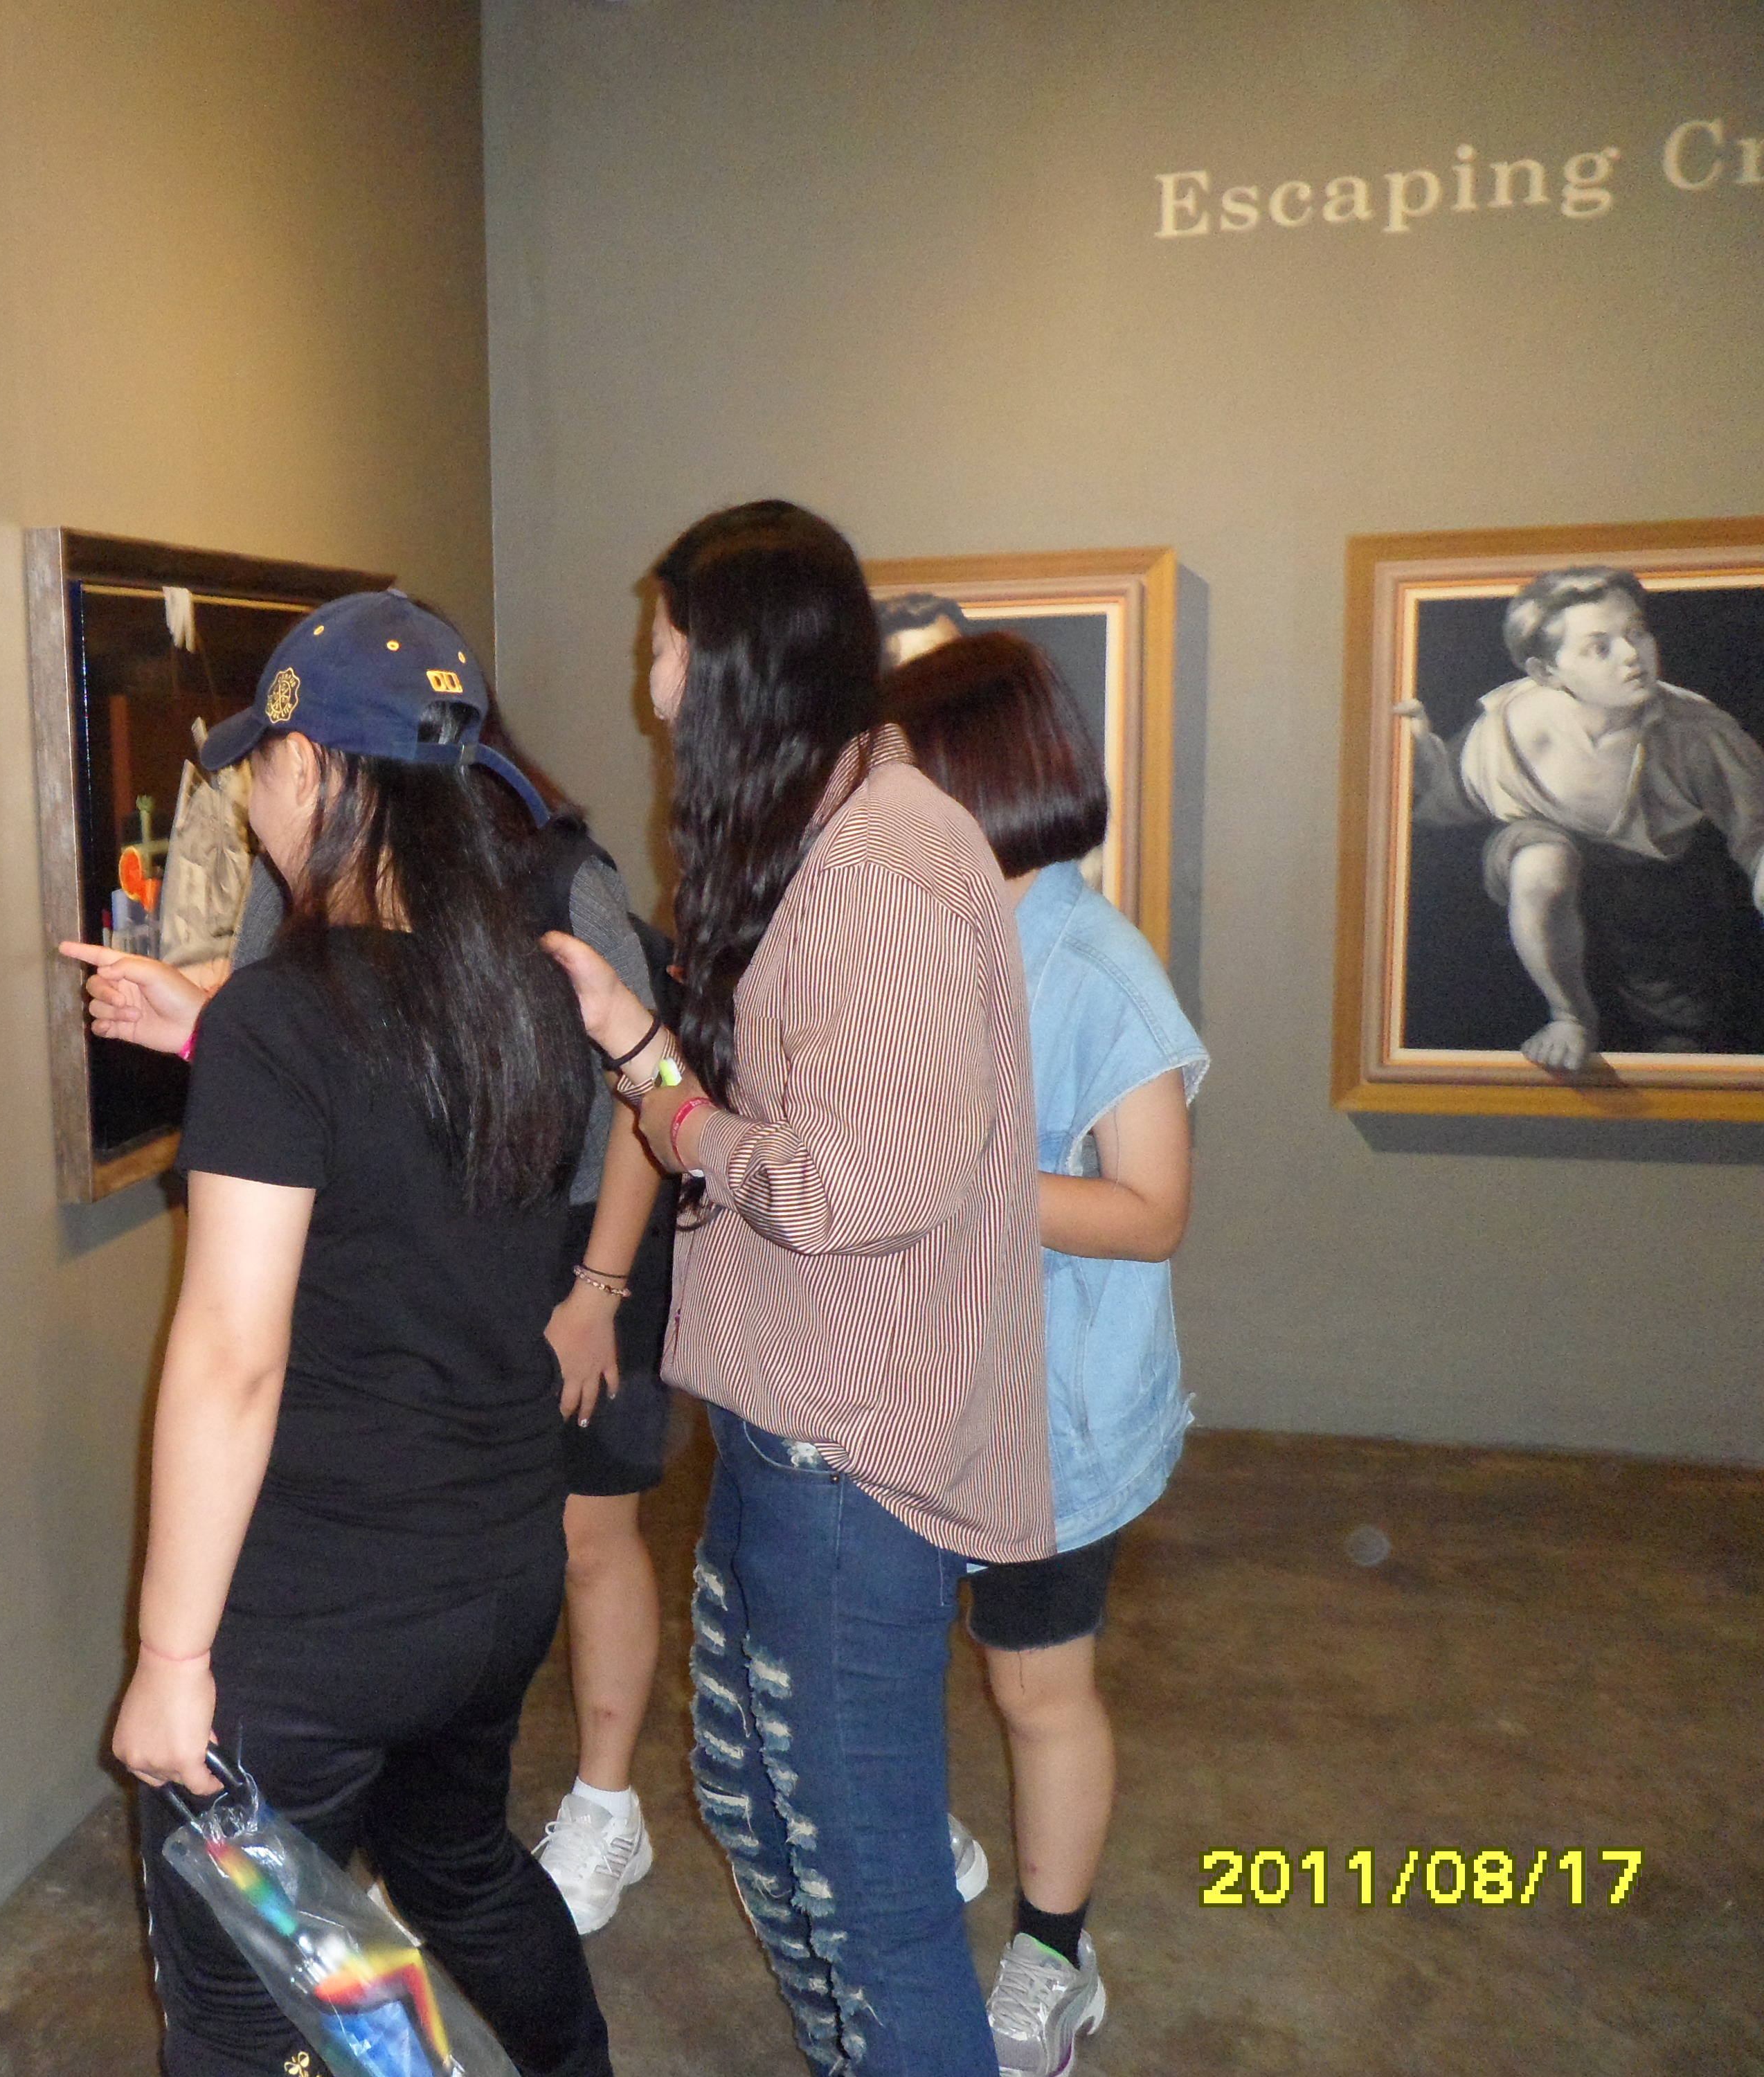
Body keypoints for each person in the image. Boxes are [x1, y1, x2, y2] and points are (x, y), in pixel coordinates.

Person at [67, 591, 615, 2077]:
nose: (249, 799)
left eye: (256, 766)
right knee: (458, 1872)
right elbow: (394, 1160)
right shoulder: (525, 995)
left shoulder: (282, 1022)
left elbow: (232, 1359)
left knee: (247, 2005)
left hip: (317, 1625)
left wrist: (171, 1656)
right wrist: (214, 1034)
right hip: (492, 1580)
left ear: (310, 768)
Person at [543, 501, 1050, 2077]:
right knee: (766, 1814)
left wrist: (673, 1110)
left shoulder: (882, 866)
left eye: (666, 642)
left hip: (852, 1457)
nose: (649, 682)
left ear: (738, 661)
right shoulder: (830, 831)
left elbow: (856, 1190)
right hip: (795, 1421)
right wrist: (648, 1054)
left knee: (869, 1885)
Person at [887, 631, 1207, 2077]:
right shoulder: (924, 935)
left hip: (1046, 1419)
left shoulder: (1095, 966)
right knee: (887, 1666)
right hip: (916, 1397)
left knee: (1033, 1688)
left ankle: (1052, 1956)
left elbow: (1152, 1212)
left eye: (901, 772)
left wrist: (963, 1183)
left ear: (979, 777)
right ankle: (930, 1852)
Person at [1400, 565, 1764, 1068]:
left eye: (1637, 632)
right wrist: (1418, 754)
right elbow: (1441, 804)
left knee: (1683, 1035)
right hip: (1549, 880)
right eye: (1599, 647)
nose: (1633, 655)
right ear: (1547, 673)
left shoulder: (1699, 732)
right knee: (1540, 863)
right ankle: (1569, 1016)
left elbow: (1757, 833)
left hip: (1655, 893)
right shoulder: (1510, 727)